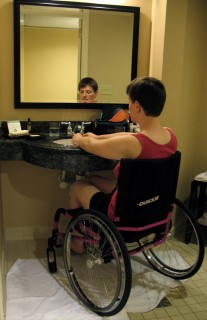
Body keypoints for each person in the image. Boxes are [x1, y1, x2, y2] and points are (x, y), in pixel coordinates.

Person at [70, 76, 177, 252]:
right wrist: (98, 136)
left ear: (136, 105)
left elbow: (92, 146)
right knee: (94, 178)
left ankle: (78, 242)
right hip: (153, 208)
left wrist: (80, 139)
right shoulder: (170, 135)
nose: (128, 108)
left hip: (123, 216)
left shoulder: (134, 145)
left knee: (78, 184)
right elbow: (130, 137)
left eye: (129, 103)